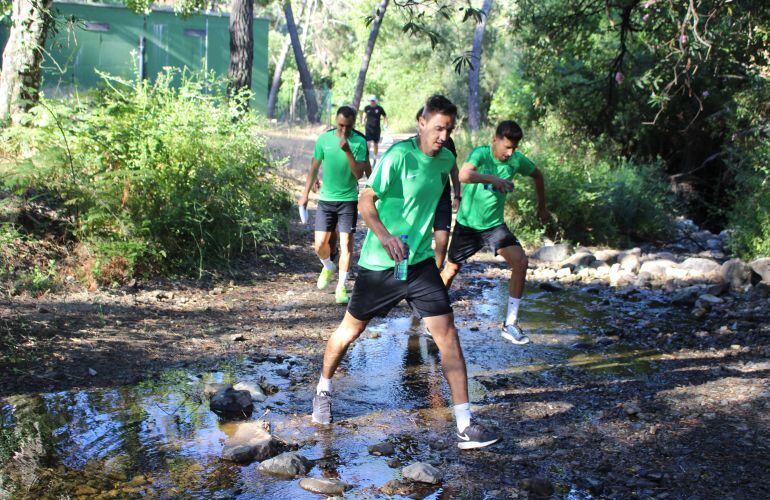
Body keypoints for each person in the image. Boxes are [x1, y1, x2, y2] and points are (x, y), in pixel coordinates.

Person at [311, 95, 500, 450]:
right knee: (349, 333)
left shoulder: (445, 158)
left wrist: (456, 201)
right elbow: (367, 199)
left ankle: (464, 425)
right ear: (422, 123)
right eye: (438, 127)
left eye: (449, 129)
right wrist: (382, 236)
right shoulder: (398, 156)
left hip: (420, 265)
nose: (443, 136)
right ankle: (323, 388)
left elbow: (446, 183)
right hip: (380, 265)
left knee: (448, 337)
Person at [440, 121, 549, 345]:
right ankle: (433, 315)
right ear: (495, 140)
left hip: (494, 227)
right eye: (506, 147)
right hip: (467, 225)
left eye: (514, 148)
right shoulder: (481, 154)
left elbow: (538, 175)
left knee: (521, 262)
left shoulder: (517, 161)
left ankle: (510, 323)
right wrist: (493, 179)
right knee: (450, 271)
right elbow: (463, 175)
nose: (510, 153)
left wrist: (542, 207)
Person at [298, 106, 369, 304]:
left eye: (348, 126)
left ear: (354, 124)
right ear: (335, 122)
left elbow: (358, 174)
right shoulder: (324, 139)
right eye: (340, 125)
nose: (344, 130)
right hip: (326, 200)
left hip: (348, 200)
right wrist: (304, 195)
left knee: (346, 245)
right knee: (320, 244)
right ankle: (328, 267)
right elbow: (314, 167)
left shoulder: (360, 142)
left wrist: (347, 151)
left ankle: (341, 287)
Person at [414, 107, 461, 270]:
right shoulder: (410, 147)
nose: (442, 135)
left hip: (442, 199)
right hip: (420, 200)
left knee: (442, 241)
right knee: (416, 240)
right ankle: (410, 277)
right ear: (422, 123)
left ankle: (434, 275)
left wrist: (457, 195)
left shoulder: (447, 142)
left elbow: (454, 169)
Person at [362, 96, 387, 161]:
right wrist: (363, 120)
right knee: (368, 143)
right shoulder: (367, 108)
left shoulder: (379, 108)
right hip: (368, 128)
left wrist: (385, 123)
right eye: (371, 101)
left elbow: (385, 116)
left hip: (376, 129)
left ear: (376, 101)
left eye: (373, 101)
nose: (372, 102)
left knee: (375, 144)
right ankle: (367, 156)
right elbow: (364, 115)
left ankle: (375, 157)